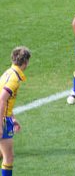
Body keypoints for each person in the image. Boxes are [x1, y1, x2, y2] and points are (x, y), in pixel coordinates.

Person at [0, 46, 31, 176]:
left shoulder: (9, 73)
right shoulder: (14, 80)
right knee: (9, 157)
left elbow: (7, 102)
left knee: (3, 154)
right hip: (2, 119)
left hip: (5, 117)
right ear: (26, 62)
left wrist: (12, 118)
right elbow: (1, 100)